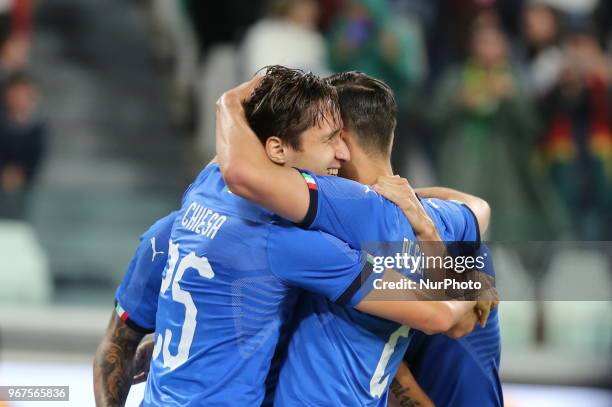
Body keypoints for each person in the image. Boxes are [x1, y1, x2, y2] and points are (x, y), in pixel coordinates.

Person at [94, 67, 488, 407]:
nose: (339, 153)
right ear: (278, 150)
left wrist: (236, 101)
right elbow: (439, 311)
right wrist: (467, 289)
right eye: (327, 139)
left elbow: (115, 346)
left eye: (339, 136)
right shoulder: (297, 245)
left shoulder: (202, 191)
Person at [215, 69, 495, 405]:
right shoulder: (436, 220)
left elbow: (244, 175)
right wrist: (421, 217)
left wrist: (230, 103)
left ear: (340, 139)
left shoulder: (341, 205)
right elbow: (479, 208)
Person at [0, 71, 46, 218]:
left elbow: (36, 156)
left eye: (24, 93)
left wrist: (22, 174)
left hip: (25, 185)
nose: (19, 98)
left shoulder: (38, 126)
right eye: (15, 93)